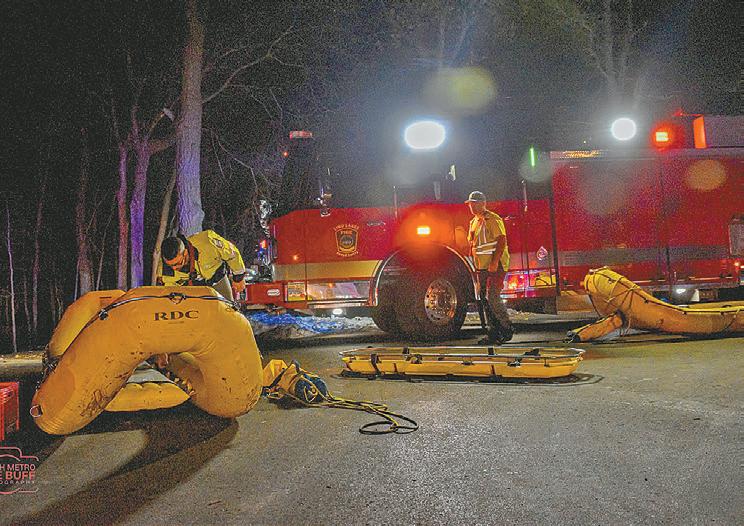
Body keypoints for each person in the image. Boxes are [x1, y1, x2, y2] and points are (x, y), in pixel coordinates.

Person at [466, 191, 514, 344]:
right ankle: (493, 333)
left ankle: (506, 329)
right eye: (470, 204)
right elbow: (473, 245)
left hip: (495, 266)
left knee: (492, 297)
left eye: (475, 203)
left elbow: (501, 240)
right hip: (482, 267)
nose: (472, 206)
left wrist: (494, 262)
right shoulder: (473, 222)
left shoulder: (492, 219)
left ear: (483, 204)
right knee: (485, 300)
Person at [157, 230, 247, 302]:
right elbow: (171, 292)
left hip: (217, 280)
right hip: (192, 291)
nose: (174, 268)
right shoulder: (165, 271)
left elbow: (232, 254)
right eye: (170, 265)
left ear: (185, 253)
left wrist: (238, 278)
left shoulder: (208, 241)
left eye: (177, 264)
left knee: (228, 309)